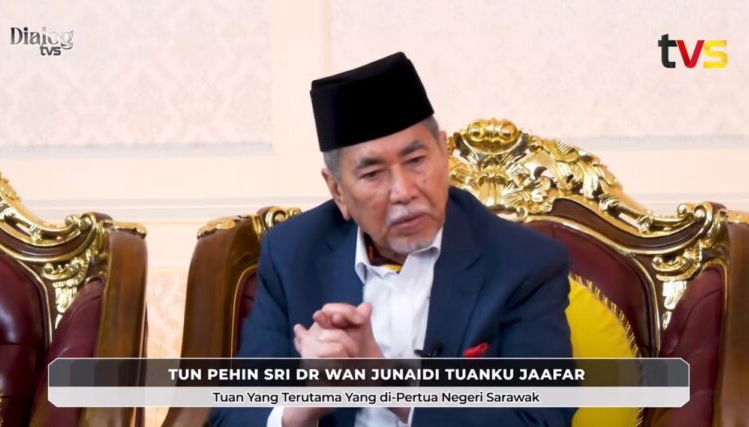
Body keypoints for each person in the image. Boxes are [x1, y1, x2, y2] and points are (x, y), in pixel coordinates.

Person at [210, 52, 574, 427]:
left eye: (416, 161)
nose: (403, 191)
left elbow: (542, 418)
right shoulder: (292, 254)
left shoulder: (523, 263)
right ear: (337, 191)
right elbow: (235, 414)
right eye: (373, 174)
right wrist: (307, 401)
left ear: (443, 154)